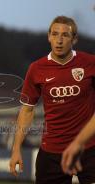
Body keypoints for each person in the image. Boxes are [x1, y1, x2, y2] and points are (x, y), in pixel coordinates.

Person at [9, 16, 95, 184]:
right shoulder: (36, 69)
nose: (59, 40)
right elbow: (27, 110)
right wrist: (16, 149)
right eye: (55, 34)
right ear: (49, 37)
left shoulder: (90, 63)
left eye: (65, 35)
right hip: (52, 152)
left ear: (74, 39)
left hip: (89, 149)